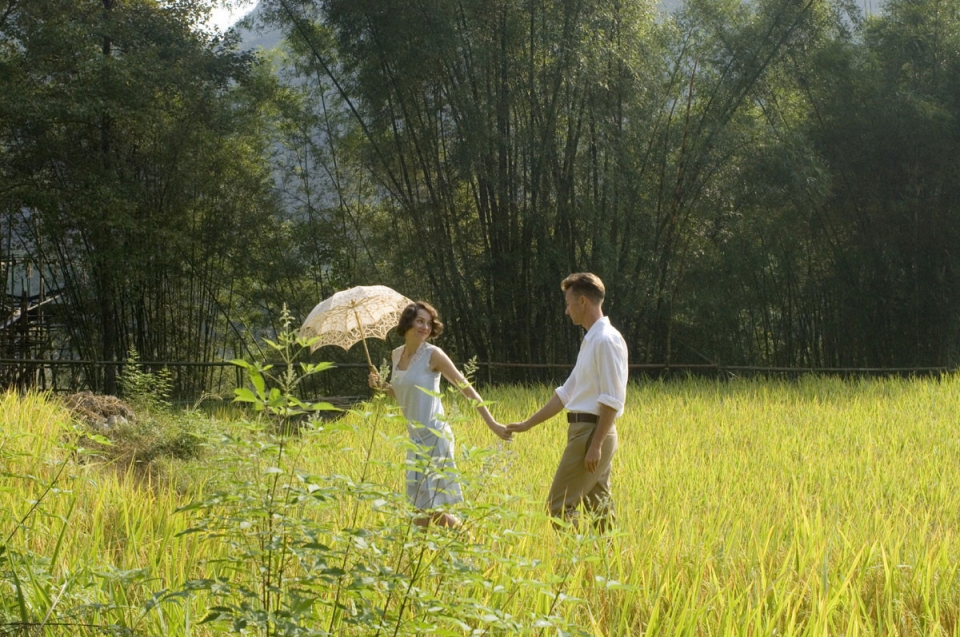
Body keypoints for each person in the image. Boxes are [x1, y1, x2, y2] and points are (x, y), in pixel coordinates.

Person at [368, 301, 511, 528]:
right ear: (407, 323)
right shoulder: (396, 355)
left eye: (429, 323)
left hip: (435, 437)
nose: (425, 327)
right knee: (419, 511)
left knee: (431, 510)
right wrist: (382, 386)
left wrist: (492, 423)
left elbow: (465, 387)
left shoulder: (433, 355)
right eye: (420, 321)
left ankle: (467, 539)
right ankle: (432, 549)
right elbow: (403, 394)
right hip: (414, 440)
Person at [506, 273, 628, 531]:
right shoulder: (591, 340)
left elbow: (612, 399)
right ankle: (606, 557)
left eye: (568, 302)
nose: (566, 310)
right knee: (600, 511)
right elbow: (565, 394)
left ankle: (578, 554)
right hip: (586, 433)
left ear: (582, 301)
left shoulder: (606, 340)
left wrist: (595, 445)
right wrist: (527, 424)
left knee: (558, 507)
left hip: (592, 433)